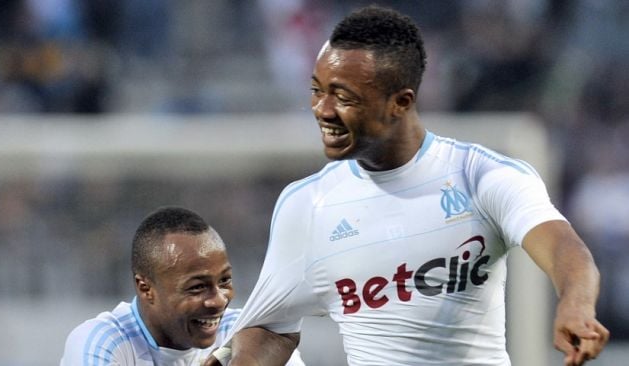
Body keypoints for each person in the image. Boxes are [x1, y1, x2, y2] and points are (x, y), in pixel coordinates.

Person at [206, 5, 609, 366]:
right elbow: (271, 327)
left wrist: (575, 304)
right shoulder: (306, 204)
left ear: (400, 102)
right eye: (317, 90)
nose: (323, 110)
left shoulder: (480, 175)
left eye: (343, 96)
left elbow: (563, 247)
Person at [60, 206, 304, 366]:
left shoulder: (246, 333)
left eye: (224, 281)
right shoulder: (102, 341)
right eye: (197, 287)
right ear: (146, 289)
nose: (218, 300)